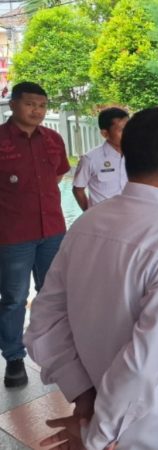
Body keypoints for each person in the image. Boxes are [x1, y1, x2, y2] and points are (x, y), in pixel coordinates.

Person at [24, 107, 158, 449]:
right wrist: (99, 435)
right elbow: (146, 354)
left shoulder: (90, 222)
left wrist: (84, 396)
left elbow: (43, 321)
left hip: (111, 410)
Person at [0, 82, 69, 388]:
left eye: (41, 105)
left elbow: (57, 174)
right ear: (12, 104)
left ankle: (53, 350)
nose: (36, 111)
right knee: (14, 298)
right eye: (30, 104)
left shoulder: (53, 139)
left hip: (52, 231)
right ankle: (14, 357)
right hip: (13, 234)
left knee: (52, 294)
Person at [72, 108, 129, 211]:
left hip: (131, 217)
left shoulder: (136, 155)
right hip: (103, 220)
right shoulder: (90, 159)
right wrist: (89, 213)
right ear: (105, 134)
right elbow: (78, 189)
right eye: (122, 130)